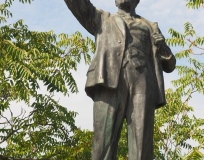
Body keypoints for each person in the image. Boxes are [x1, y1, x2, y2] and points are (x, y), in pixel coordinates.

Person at [65, 0, 176, 159]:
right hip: (109, 80)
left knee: (142, 143)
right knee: (103, 142)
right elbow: (79, 6)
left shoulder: (150, 26)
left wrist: (163, 47)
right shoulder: (102, 19)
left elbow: (170, 65)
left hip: (143, 81)